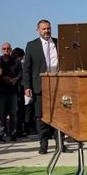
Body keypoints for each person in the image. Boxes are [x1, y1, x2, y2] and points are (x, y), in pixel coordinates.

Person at [23, 19, 59, 154]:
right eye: (44, 29)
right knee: (40, 116)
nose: (46, 31)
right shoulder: (32, 46)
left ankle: (59, 144)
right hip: (39, 86)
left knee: (58, 116)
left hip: (58, 85)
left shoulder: (58, 43)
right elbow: (26, 68)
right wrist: (27, 86)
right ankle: (43, 144)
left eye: (48, 28)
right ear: (38, 30)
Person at [0, 42, 21, 141]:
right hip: (2, 91)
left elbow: (21, 73)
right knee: (1, 113)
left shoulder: (16, 61)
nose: (6, 50)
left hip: (13, 91)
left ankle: (13, 132)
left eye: (8, 48)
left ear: (11, 49)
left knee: (13, 113)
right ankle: (1, 133)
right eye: (4, 48)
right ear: (1, 50)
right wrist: (3, 78)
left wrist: (15, 79)